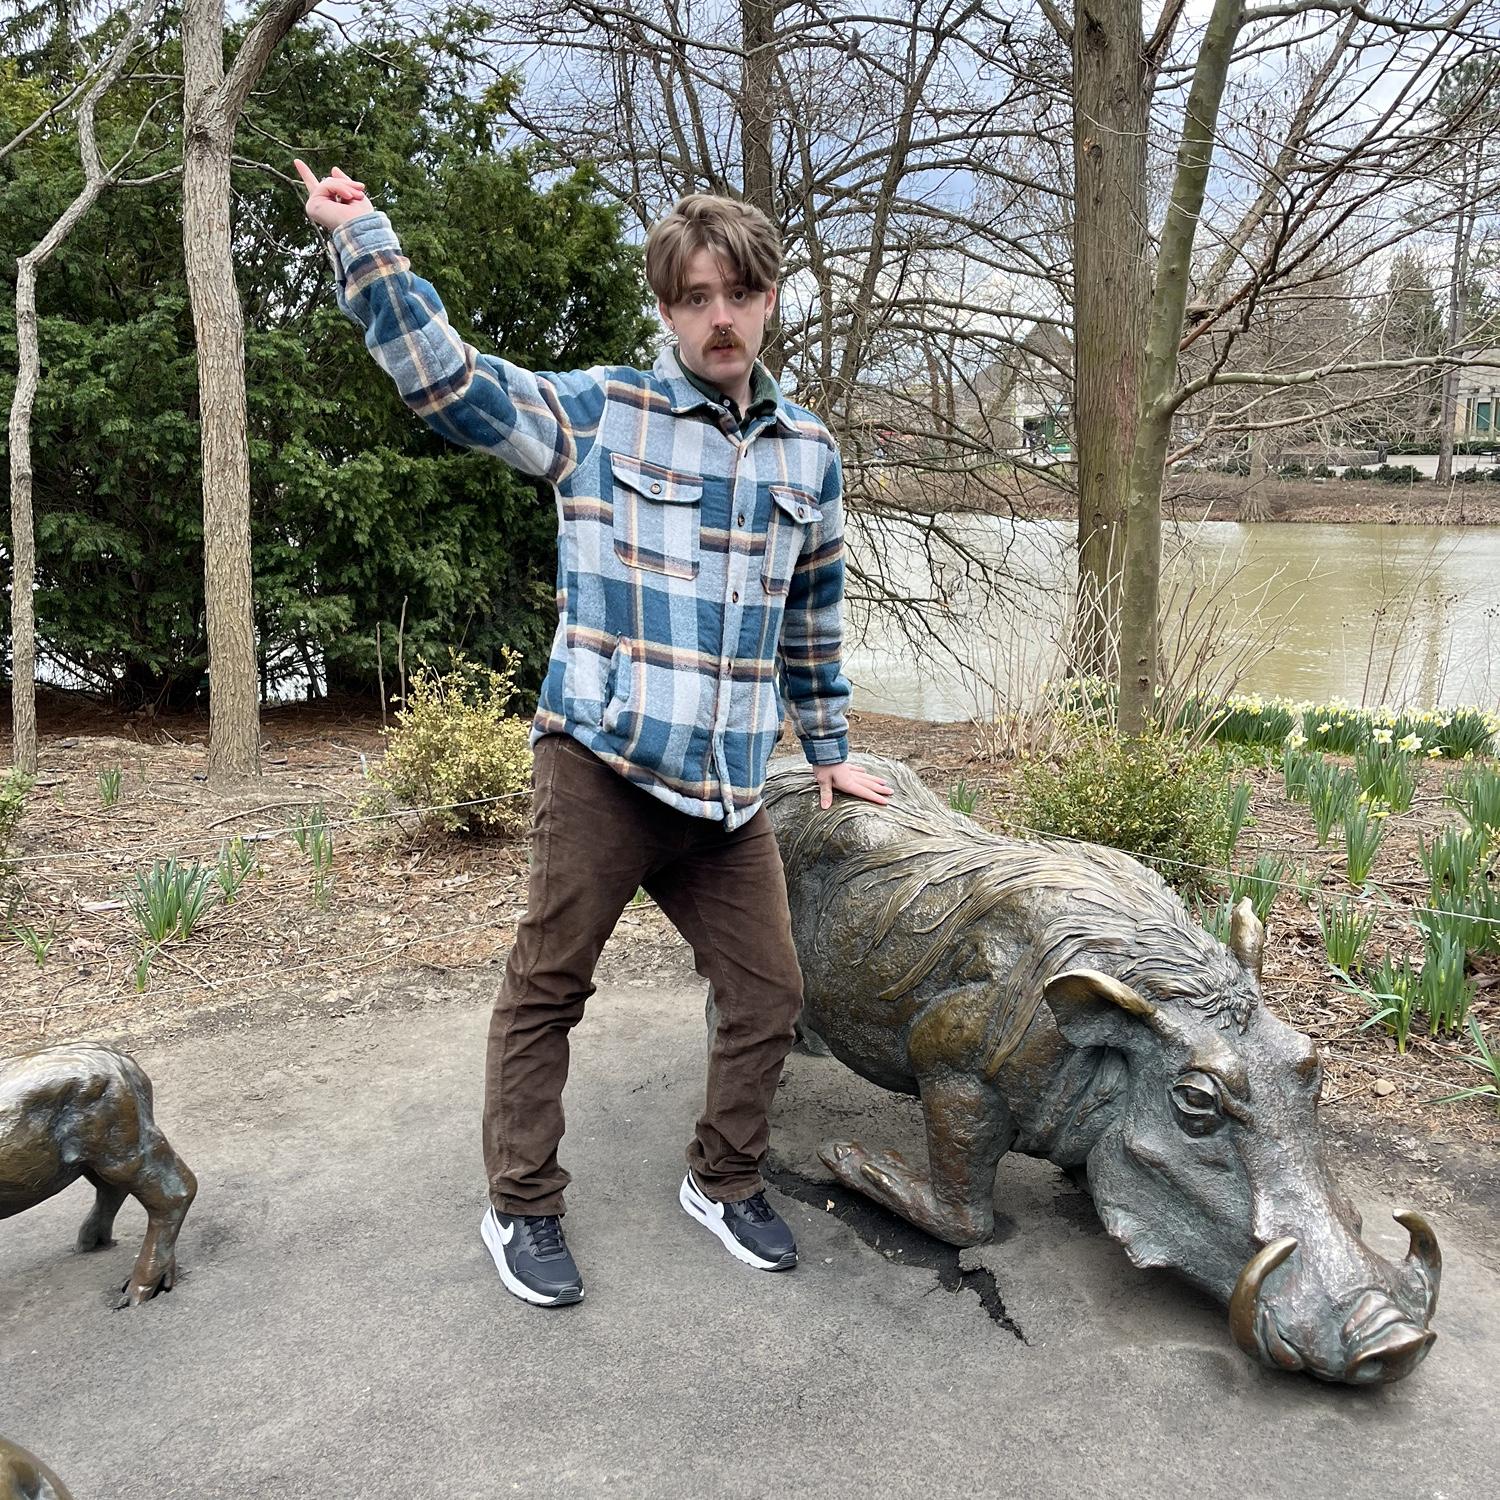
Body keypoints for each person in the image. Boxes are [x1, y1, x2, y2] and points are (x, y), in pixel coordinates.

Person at [295, 161, 892, 1308]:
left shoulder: (807, 453)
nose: (722, 318)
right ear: (667, 308)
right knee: (548, 987)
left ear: (771, 299)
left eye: (741, 294)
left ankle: (724, 1179)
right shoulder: (598, 412)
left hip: (725, 794)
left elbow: (812, 616)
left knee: (770, 996)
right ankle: (521, 1204)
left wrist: (828, 748)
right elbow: (450, 384)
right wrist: (364, 238)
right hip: (602, 768)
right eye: (698, 298)